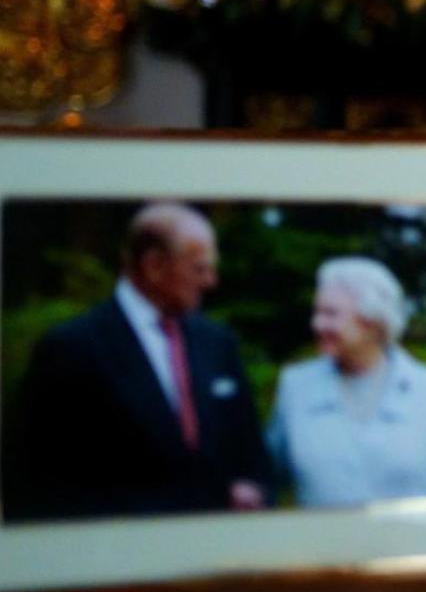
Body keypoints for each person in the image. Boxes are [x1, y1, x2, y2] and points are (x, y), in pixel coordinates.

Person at [8, 203, 269, 520]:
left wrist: (253, 488)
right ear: (154, 265)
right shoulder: (71, 348)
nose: (211, 281)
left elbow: (251, 452)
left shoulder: (217, 342)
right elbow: (34, 480)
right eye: (199, 268)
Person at [267, 256, 426, 507]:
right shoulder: (295, 387)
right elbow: (267, 478)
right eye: (317, 312)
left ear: (372, 322)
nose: (317, 324)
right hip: (320, 545)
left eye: (331, 314)